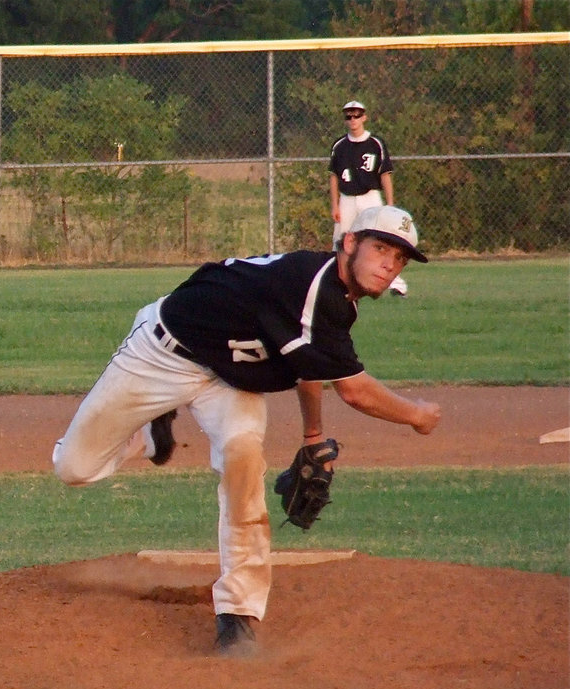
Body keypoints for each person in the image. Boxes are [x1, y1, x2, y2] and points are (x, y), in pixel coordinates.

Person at [53, 205, 440, 657]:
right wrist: (416, 414)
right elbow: (354, 392)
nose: (390, 263)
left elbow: (307, 363)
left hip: (230, 382)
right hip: (163, 354)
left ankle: (238, 616)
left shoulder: (336, 302)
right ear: (349, 243)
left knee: (243, 462)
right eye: (381, 248)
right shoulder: (308, 283)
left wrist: (312, 436)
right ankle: (150, 437)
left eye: (399, 257)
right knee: (74, 467)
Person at [329, 100, 408, 297]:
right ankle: (335, 281)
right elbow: (333, 177)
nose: (353, 119)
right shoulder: (340, 145)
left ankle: (396, 285)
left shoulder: (375, 143)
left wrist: (390, 204)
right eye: (348, 116)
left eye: (356, 115)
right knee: (341, 240)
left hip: (370, 197)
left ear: (364, 117)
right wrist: (334, 205)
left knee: (382, 238)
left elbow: (385, 174)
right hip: (347, 198)